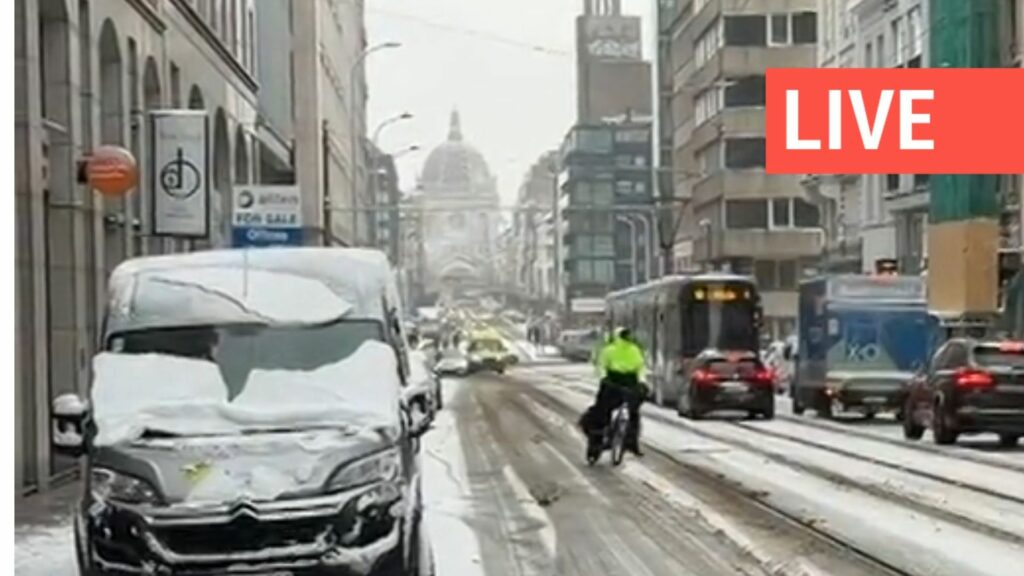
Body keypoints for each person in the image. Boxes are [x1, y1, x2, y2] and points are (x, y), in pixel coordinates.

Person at [582, 327, 647, 457]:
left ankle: (598, 440)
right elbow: (640, 367)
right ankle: (631, 442)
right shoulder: (633, 349)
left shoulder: (611, 349)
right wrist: (641, 382)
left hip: (613, 381)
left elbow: (601, 366)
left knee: (603, 410)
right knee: (632, 412)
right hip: (626, 381)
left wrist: (604, 378)